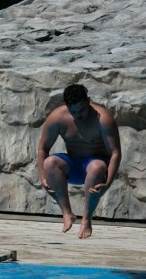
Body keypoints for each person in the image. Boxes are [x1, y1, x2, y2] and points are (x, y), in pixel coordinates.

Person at [37, 84, 122, 239]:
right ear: (66, 106)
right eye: (73, 111)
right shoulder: (58, 117)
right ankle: (67, 213)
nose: (78, 115)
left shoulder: (102, 119)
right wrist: (43, 177)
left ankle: (86, 219)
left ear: (88, 101)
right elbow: (43, 149)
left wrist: (108, 183)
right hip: (74, 166)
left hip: (96, 167)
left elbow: (115, 153)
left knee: (96, 166)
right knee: (49, 163)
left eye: (81, 109)